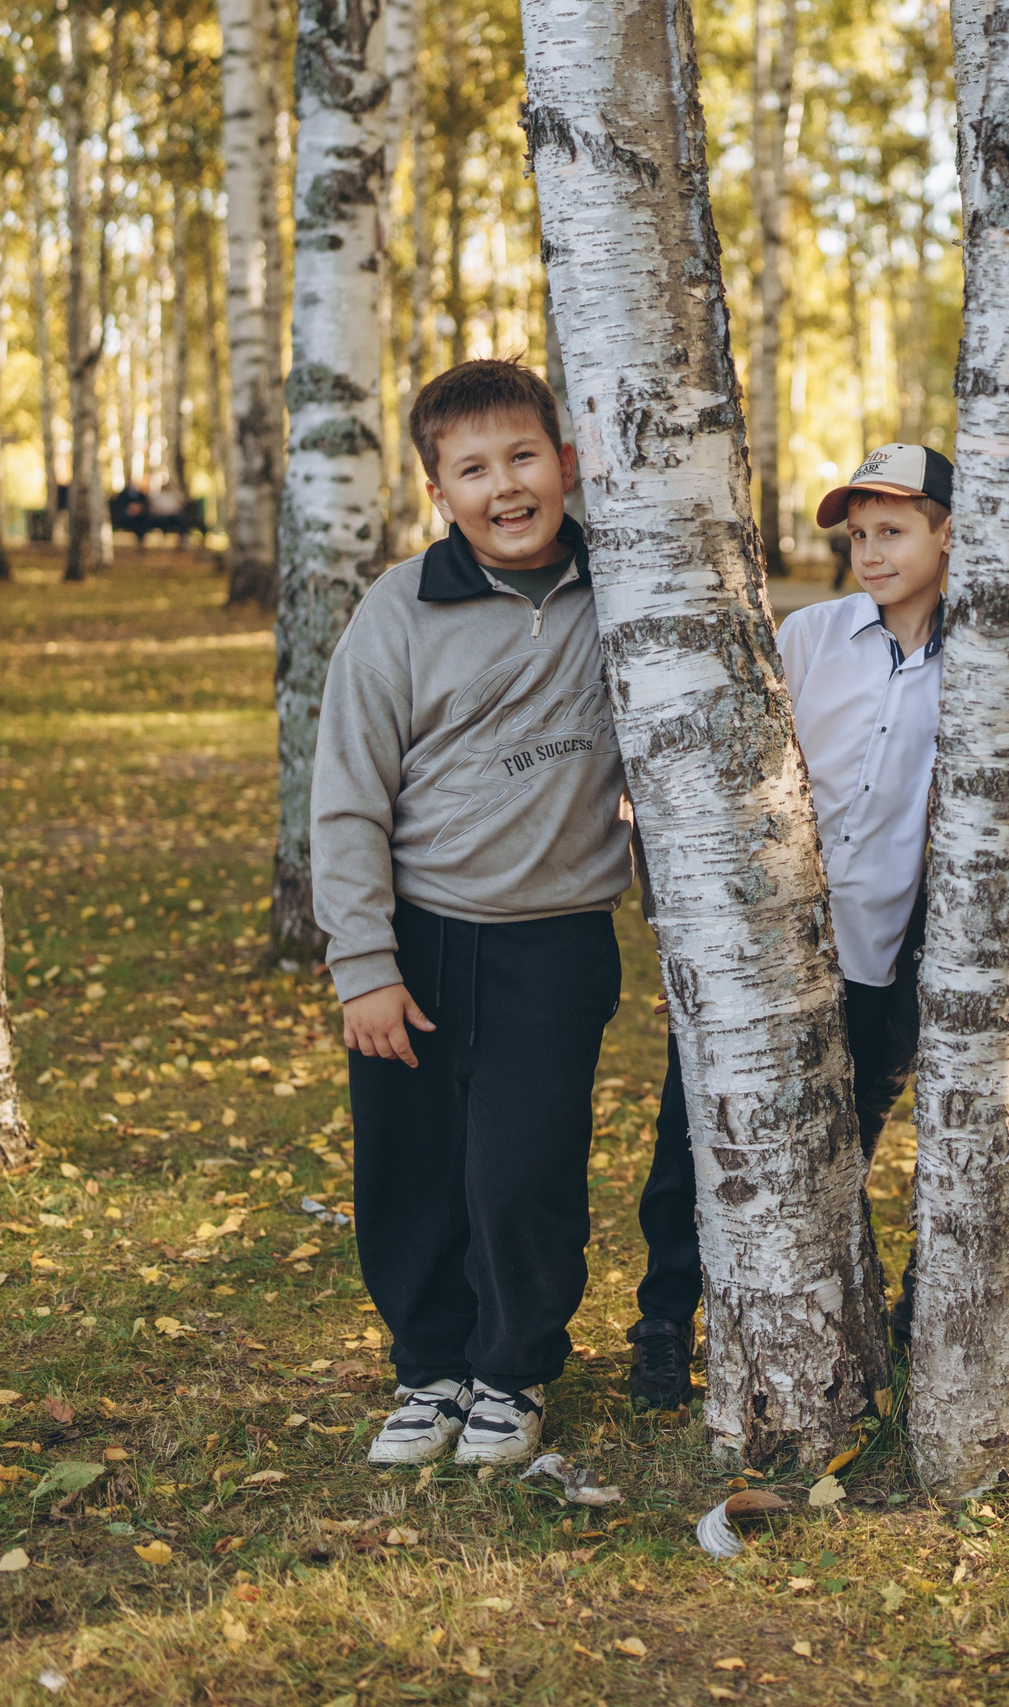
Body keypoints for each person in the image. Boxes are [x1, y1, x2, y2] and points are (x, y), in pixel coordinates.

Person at [311, 358, 630, 1469]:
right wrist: (363, 964)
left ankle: (514, 1370)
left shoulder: (627, 592)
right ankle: (428, 1369)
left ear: (569, 462)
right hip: (422, 942)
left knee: (524, 1173)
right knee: (411, 1171)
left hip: (556, 943)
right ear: (438, 491)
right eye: (473, 469)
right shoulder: (400, 609)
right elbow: (348, 795)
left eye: (524, 458)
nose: (506, 487)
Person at [626, 442, 955, 1408]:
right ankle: (663, 1319)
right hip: (766, 947)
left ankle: (813, 1326)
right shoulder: (811, 638)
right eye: (859, 535)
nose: (872, 551)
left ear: (950, 533)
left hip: (878, 955)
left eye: (893, 530)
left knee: (834, 1149)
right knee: (696, 1131)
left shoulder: (984, 667)